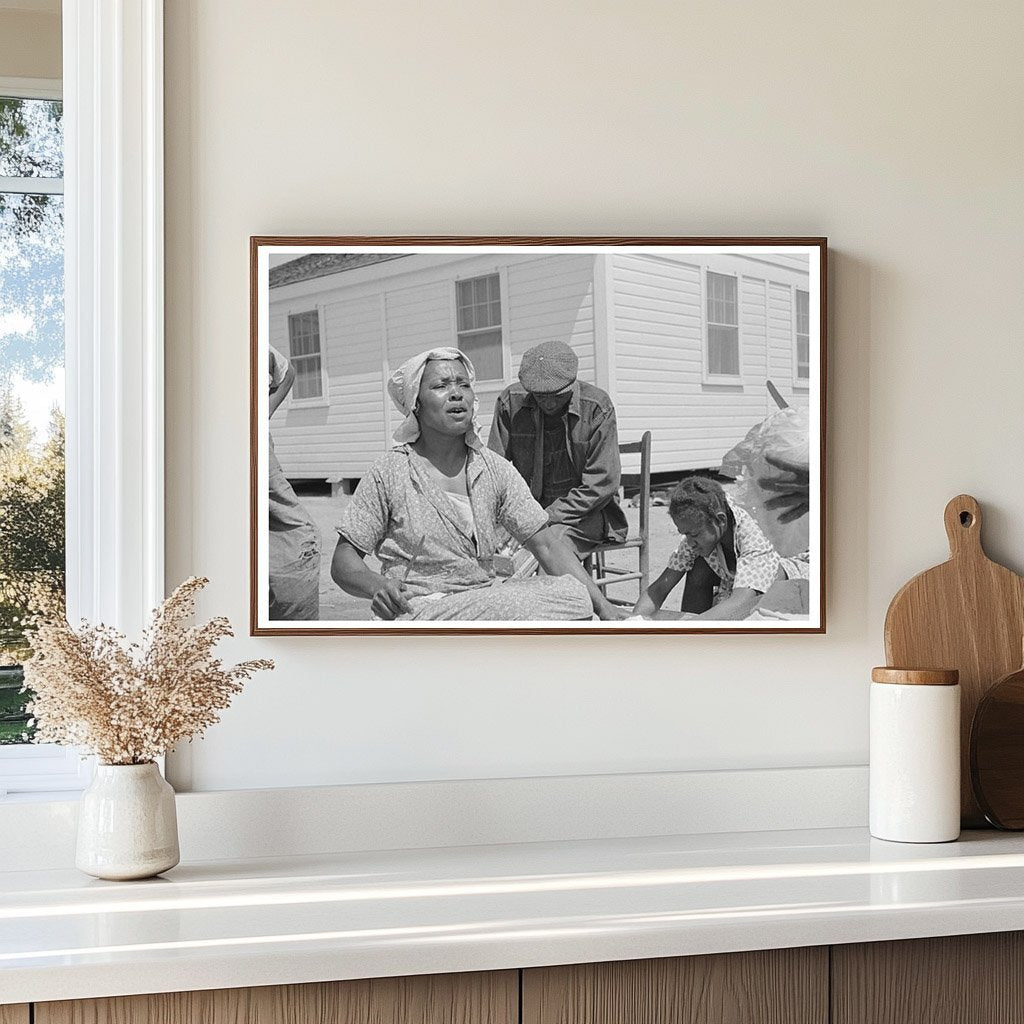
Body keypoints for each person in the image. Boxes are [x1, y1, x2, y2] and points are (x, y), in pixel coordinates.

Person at [331, 347, 626, 622]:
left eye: (464, 384)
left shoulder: (493, 469)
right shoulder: (391, 471)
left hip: (483, 601)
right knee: (508, 603)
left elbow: (546, 545)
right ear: (415, 403)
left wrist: (606, 609)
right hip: (420, 606)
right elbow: (344, 561)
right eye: (441, 386)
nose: (456, 394)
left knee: (572, 594)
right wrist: (378, 585)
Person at [487, 340, 627, 559]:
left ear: (572, 384)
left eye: (558, 395)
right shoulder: (510, 403)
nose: (550, 404)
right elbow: (493, 473)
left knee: (548, 554)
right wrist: (505, 520)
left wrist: (541, 518)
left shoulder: (597, 407)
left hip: (586, 513)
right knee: (491, 553)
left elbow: (600, 485)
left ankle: (567, 592)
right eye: (541, 397)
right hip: (528, 511)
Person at [632, 476, 782, 621]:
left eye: (694, 534)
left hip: (774, 604)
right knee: (698, 566)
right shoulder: (698, 534)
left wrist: (687, 628)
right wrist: (634, 621)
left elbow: (740, 602)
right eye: (686, 534)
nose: (690, 542)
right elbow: (659, 589)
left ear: (721, 520)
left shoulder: (752, 538)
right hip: (732, 595)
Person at [267, 345, 321, 620]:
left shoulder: (247, 337)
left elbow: (286, 371)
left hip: (251, 446)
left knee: (296, 534)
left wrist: (259, 415)